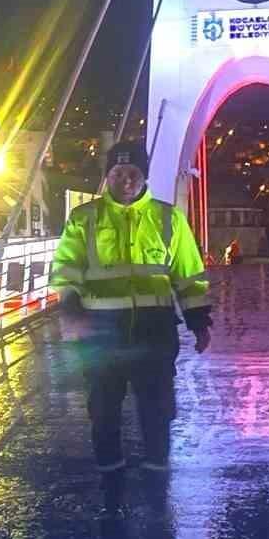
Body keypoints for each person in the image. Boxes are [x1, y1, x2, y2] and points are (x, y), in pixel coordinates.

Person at [51, 140, 212, 474]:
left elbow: (188, 274)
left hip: (154, 328)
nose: (126, 180)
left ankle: (156, 468)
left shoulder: (169, 218)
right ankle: (109, 468)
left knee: (157, 404)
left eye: (133, 173)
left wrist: (199, 321)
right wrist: (71, 309)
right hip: (100, 328)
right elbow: (66, 270)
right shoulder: (83, 219)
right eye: (118, 173)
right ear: (107, 177)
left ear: (145, 176)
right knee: (103, 405)